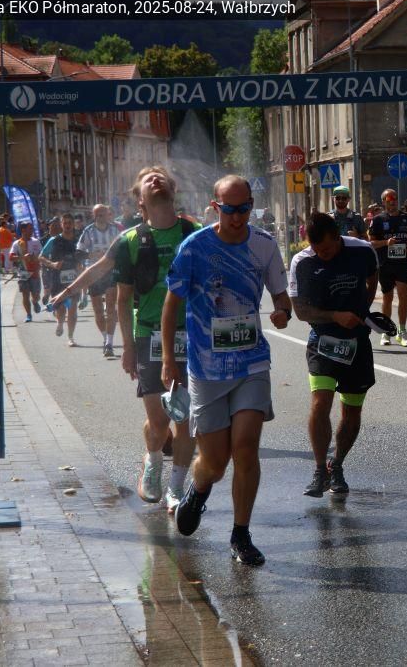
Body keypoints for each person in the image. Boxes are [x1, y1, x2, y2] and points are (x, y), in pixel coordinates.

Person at [163, 174, 291, 567]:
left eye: (244, 208)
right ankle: (199, 489)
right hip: (206, 368)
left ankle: (241, 533)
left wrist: (282, 312)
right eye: (230, 209)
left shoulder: (264, 245)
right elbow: (172, 305)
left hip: (251, 361)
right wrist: (168, 359)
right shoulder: (195, 247)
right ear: (215, 207)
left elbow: (282, 296)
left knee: (246, 446)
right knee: (215, 463)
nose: (237, 217)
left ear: (252, 205)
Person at [99, 167, 200, 509]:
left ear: (173, 189)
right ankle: (153, 460)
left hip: (191, 336)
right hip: (148, 336)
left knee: (186, 419)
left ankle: (176, 488)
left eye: (161, 177)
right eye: (148, 179)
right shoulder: (131, 241)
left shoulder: (194, 233)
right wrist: (127, 347)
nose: (156, 180)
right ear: (140, 200)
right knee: (159, 421)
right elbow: (123, 299)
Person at [289, 212, 378, 498]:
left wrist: (363, 309)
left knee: (352, 410)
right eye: (316, 249)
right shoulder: (302, 262)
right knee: (320, 403)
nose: (322, 255)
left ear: (338, 238)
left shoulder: (362, 250)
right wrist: (335, 316)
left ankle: (336, 464)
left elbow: (373, 277)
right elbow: (300, 311)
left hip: (357, 341)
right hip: (323, 339)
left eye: (326, 249)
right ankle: (319, 470)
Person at [369, 188, 407, 347]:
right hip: (385, 263)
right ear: (384, 202)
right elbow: (371, 243)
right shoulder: (378, 220)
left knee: (403, 295)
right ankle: (386, 331)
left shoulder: (406, 218)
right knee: (387, 297)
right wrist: (386, 242)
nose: (393, 203)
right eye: (389, 200)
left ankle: (402, 331)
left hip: (402, 263)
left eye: (395, 199)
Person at [78, 204, 124, 357]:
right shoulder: (88, 231)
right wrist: (91, 255)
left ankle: (109, 342)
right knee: (98, 310)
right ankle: (105, 338)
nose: (101, 216)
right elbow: (79, 252)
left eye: (103, 213)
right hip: (94, 273)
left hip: (110, 272)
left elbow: (124, 248)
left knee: (110, 308)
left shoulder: (115, 230)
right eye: (98, 214)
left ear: (108, 214)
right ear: (94, 215)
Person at [41, 213, 84, 346]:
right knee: (60, 308)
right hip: (58, 278)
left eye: (70, 223)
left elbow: (84, 255)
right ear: (61, 224)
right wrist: (52, 264)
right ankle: (60, 322)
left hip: (74, 278)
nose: (67, 226)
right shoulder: (54, 240)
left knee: (72, 308)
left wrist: (81, 265)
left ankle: (71, 337)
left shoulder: (78, 240)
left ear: (73, 224)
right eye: (65, 223)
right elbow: (41, 257)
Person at [9, 221, 42, 322]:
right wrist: (23, 257)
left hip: (35, 272)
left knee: (36, 295)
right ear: (23, 230)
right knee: (25, 294)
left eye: (32, 228)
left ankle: (35, 302)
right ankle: (28, 314)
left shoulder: (36, 242)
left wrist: (35, 258)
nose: (32, 231)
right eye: (29, 228)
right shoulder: (17, 243)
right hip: (23, 272)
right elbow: (11, 257)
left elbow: (42, 254)